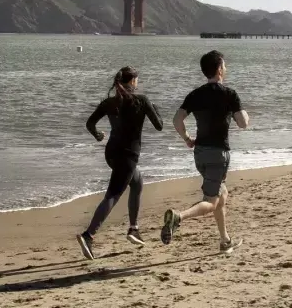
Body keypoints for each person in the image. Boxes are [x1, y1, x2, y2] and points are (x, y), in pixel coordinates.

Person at [161, 50, 249, 254]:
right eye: (224, 66)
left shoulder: (196, 94)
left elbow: (177, 120)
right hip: (218, 154)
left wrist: (187, 139)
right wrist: (244, 113)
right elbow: (243, 123)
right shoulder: (229, 94)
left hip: (199, 153)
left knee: (222, 194)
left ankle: (225, 240)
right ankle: (178, 216)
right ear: (219, 69)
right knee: (211, 202)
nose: (226, 69)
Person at [78, 66, 163, 260]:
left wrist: (98, 135)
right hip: (128, 155)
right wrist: (155, 107)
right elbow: (159, 126)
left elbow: (90, 123)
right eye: (137, 80)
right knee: (113, 195)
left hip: (111, 153)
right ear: (133, 81)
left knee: (137, 182)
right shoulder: (142, 100)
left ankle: (133, 228)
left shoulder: (109, 102)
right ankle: (88, 235)